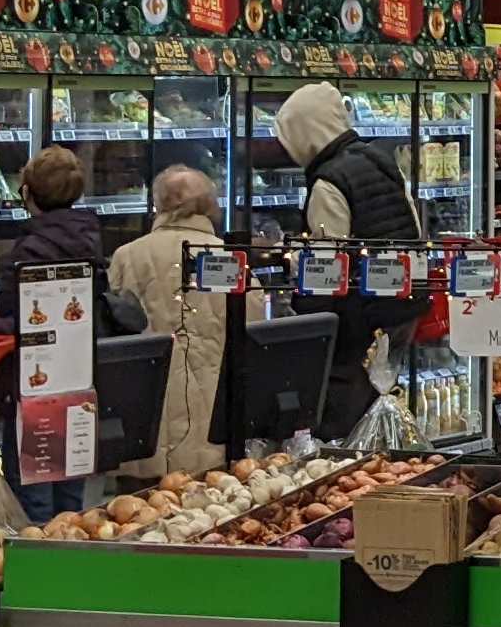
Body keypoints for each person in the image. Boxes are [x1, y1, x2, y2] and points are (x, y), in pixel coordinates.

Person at [267, 80, 420, 438]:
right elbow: (413, 227)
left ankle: (347, 463)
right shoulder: (379, 159)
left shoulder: (329, 180)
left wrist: (303, 303)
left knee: (343, 418)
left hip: (357, 316)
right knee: (380, 403)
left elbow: (329, 265)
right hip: (401, 306)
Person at [0, 146, 122, 522]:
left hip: (33, 388)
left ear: (27, 193)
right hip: (77, 383)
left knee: (33, 508)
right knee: (70, 505)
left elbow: (23, 325)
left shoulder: (29, 251)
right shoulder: (89, 241)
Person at [103, 165, 230, 480]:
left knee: (138, 503)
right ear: (209, 204)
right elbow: (251, 329)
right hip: (210, 419)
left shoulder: (127, 256)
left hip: (144, 417)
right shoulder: (227, 258)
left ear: (158, 203)